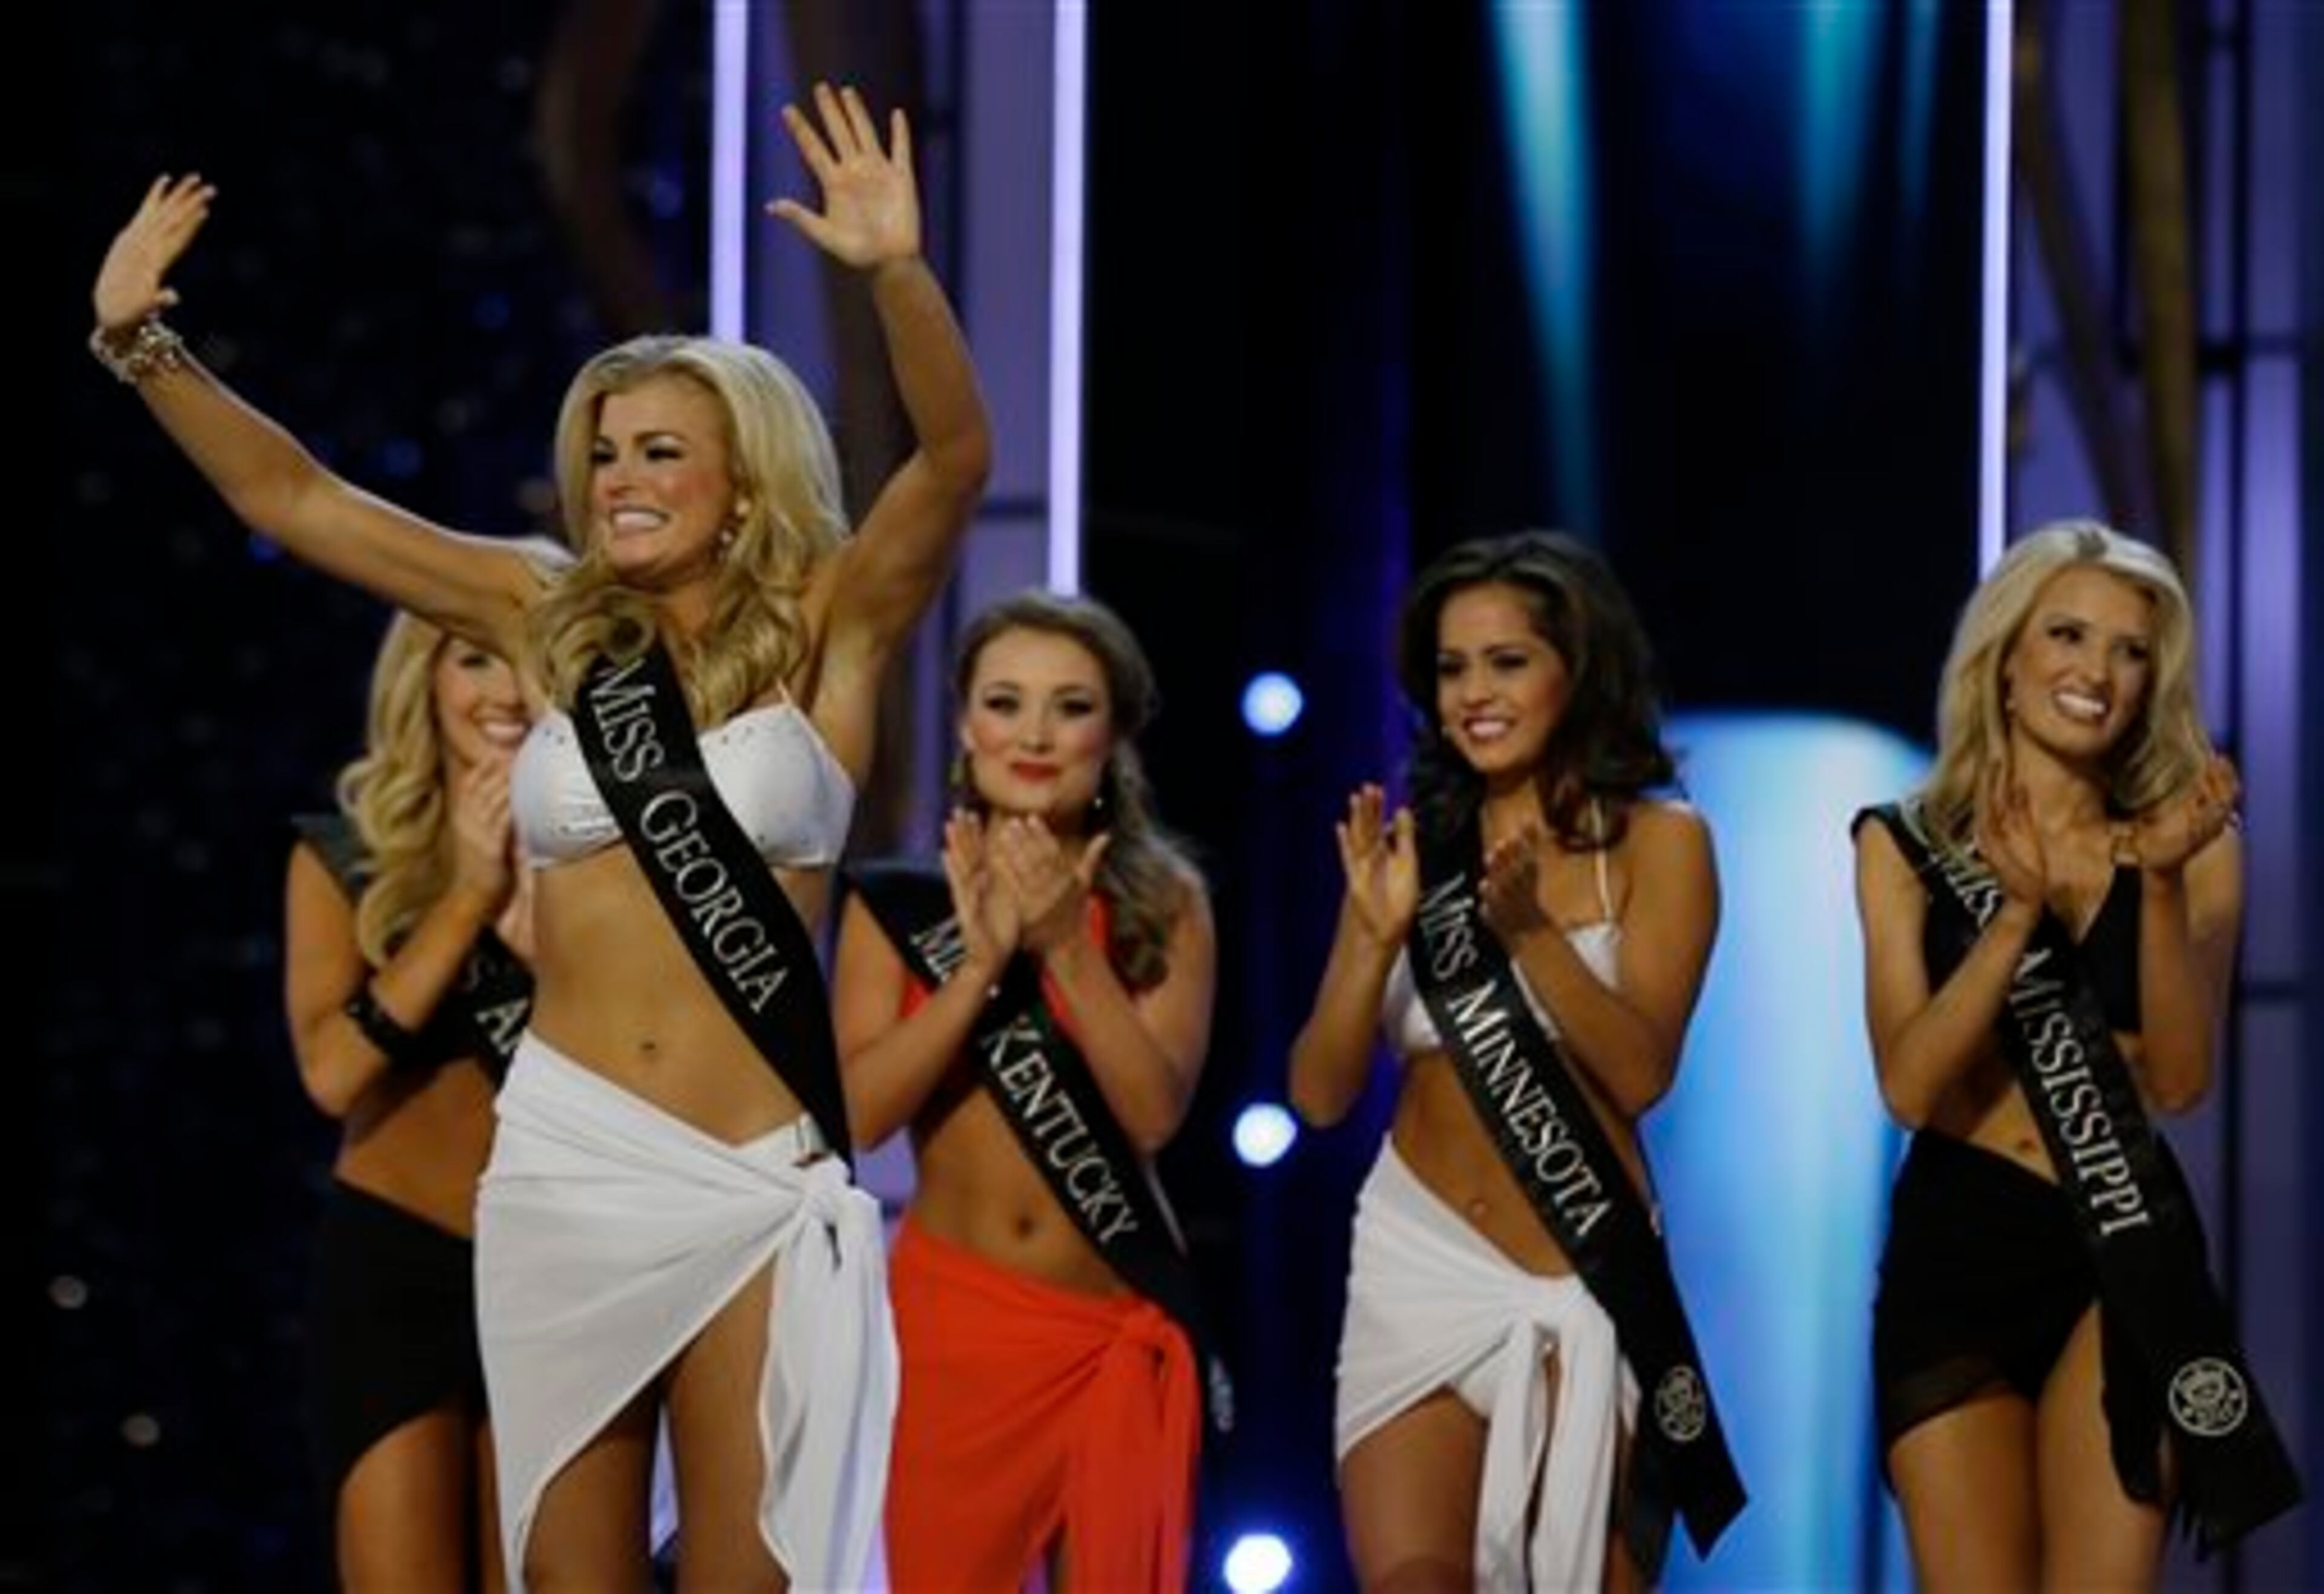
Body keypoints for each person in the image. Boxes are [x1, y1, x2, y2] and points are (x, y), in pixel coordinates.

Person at [91, 80, 991, 1593]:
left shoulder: (829, 628)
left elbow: (954, 460)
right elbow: (296, 496)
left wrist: (897, 272)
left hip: (752, 1165)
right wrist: (141, 346)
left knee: (751, 1575)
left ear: (743, 480)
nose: (621, 482)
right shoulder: (539, 615)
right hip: (570, 1158)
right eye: (608, 453)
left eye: (661, 452)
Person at [1289, 530, 1743, 1593]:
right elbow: (1318, 1094)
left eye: (1507, 662)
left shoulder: (1662, 842)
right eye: (1453, 668)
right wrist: (1368, 940)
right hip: (1419, 1263)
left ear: (1576, 670)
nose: (1474, 694)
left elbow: (1642, 1073)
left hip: (1587, 1273)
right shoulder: (1416, 848)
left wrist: (1534, 935)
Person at [1853, 518, 2300, 1587]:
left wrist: (2160, 882)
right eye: (2067, 634)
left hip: (2121, 1243)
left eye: (2130, 650)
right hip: (1958, 1247)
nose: (2098, 671)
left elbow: (2182, 1082)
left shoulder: (2195, 851)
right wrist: (2013, 917)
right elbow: (1909, 1086)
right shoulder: (1904, 842)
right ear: (2006, 661)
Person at [830, 590, 1218, 1593]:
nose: (1035, 734)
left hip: (1111, 1323)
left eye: (1071, 706)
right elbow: (860, 1115)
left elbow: (1154, 1114)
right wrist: (975, 971)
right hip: (955, 1325)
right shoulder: (898, 904)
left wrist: (1063, 947)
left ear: (1113, 734)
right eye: (1005, 702)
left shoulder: (1166, 902)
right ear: (967, 726)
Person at [285, 611, 536, 1592]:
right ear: (423, 680)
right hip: (394, 1269)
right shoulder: (345, 856)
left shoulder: (607, 866)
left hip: (554, 1271)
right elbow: (332, 1075)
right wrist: (468, 896)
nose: (505, 690)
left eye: (529, 661)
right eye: (475, 658)